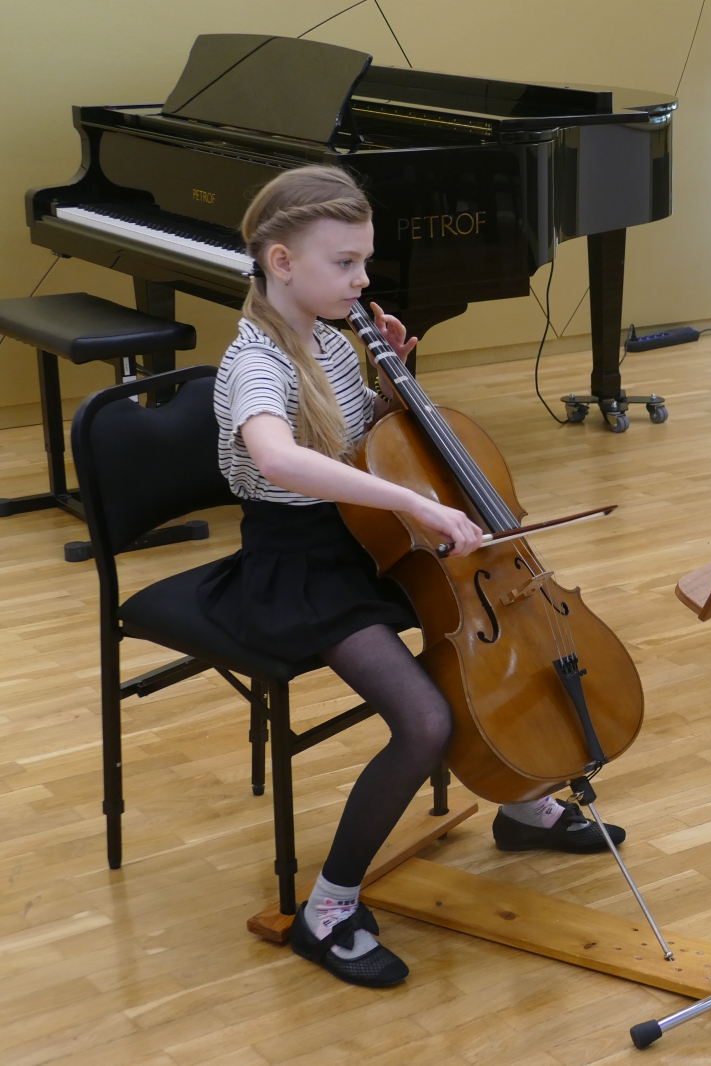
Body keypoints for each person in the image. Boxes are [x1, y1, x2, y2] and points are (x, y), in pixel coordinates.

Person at [201, 165, 624, 987]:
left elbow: (367, 443)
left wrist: (393, 379)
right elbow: (279, 458)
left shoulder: (332, 340)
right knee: (424, 721)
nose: (363, 280)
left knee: (487, 655)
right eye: (346, 263)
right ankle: (328, 909)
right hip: (300, 567)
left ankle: (519, 798)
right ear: (282, 262)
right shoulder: (255, 361)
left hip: (369, 541)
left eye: (364, 261)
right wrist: (410, 502)